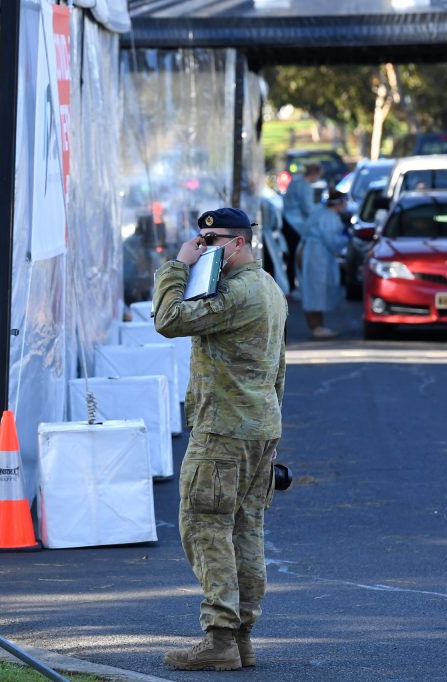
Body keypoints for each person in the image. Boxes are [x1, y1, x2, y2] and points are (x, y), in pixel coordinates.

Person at [152, 207, 287, 672]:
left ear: (239, 244)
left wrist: (177, 265)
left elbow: (169, 319)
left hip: (224, 430)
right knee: (245, 531)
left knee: (205, 527)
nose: (204, 247)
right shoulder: (268, 288)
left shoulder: (235, 294)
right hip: (258, 428)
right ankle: (241, 638)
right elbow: (279, 369)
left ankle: (220, 638)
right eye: (200, 240)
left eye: (213, 241)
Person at [297, 188, 350, 339]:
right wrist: (347, 238)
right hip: (318, 255)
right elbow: (333, 241)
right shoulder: (331, 217)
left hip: (308, 251)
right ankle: (316, 326)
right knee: (316, 290)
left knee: (311, 289)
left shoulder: (319, 211)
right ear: (339, 203)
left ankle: (316, 325)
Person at [281, 161, 322, 292]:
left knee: (290, 255)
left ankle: (290, 285)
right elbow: (308, 208)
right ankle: (294, 286)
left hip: (286, 220)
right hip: (296, 224)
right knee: (297, 255)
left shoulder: (295, 181)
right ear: (315, 173)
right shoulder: (306, 186)